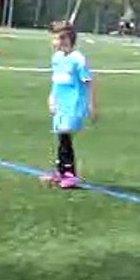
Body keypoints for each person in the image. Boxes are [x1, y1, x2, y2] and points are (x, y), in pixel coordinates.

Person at [41, 21, 97, 189]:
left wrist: (92, 105)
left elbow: (89, 82)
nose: (53, 43)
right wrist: (52, 97)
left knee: (65, 137)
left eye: (56, 39)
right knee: (61, 136)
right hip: (60, 103)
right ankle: (60, 171)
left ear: (66, 39)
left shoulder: (78, 59)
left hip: (73, 103)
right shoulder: (57, 58)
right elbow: (56, 81)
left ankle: (70, 174)